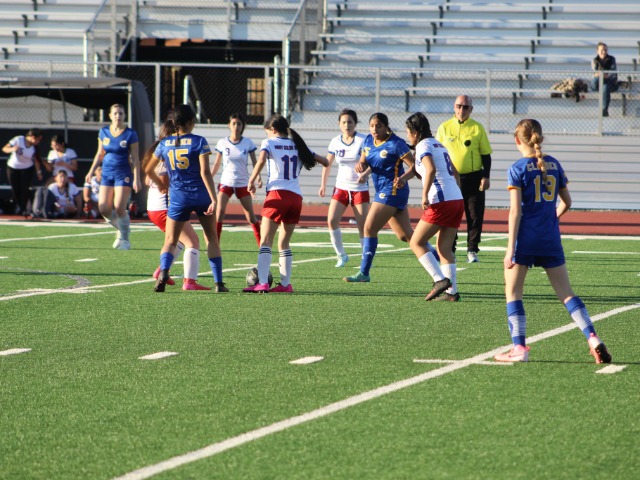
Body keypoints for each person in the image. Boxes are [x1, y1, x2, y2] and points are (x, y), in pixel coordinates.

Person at [494, 119, 611, 364]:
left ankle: (519, 348)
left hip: (525, 238)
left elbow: (515, 211)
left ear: (517, 140)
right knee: (566, 293)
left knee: (513, 292)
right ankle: (592, 337)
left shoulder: (517, 168)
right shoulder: (555, 164)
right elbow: (567, 202)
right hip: (550, 238)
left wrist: (509, 248)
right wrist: (551, 217)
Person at [145, 104, 228, 293]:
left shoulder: (164, 143)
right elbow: (205, 172)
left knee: (170, 240)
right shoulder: (199, 141)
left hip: (178, 197)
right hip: (200, 195)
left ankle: (163, 273)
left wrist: (160, 184)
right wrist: (214, 199)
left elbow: (148, 169)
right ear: (191, 122)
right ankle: (219, 283)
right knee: (211, 238)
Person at [243, 114, 329, 293]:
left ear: (273, 130)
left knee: (266, 241)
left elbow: (261, 160)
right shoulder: (297, 145)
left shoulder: (269, 142)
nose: (267, 135)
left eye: (267, 132)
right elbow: (326, 161)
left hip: (277, 195)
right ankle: (285, 284)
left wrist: (251, 180)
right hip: (295, 197)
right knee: (284, 243)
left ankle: (263, 282)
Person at [343, 112, 417, 283]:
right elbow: (364, 160)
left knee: (369, 228)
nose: (375, 129)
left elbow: (415, 166)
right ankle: (438, 257)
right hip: (382, 191)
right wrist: (361, 165)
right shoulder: (368, 140)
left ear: (386, 126)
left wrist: (404, 178)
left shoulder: (396, 143)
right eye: (372, 126)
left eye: (378, 126)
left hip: (393, 190)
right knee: (406, 236)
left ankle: (364, 273)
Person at [406, 112, 465, 301]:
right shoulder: (438, 144)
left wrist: (424, 195)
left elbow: (430, 169)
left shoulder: (423, 145)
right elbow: (455, 172)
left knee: (416, 242)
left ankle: (439, 279)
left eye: (408, 132)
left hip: (442, 200)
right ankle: (452, 293)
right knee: (444, 248)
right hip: (456, 199)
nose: (408, 136)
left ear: (415, 132)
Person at [436, 95, 492, 264]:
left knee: (475, 215)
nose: (462, 109)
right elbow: (437, 152)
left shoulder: (477, 128)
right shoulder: (444, 127)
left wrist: (485, 176)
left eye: (466, 107)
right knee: (451, 214)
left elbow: (486, 155)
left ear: (471, 109)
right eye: (459, 106)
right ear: (454, 107)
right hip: (450, 179)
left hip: (473, 177)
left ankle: (472, 250)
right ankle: (450, 249)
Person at [85, 103, 141, 250]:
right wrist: (91, 171)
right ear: (110, 115)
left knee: (119, 207)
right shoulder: (104, 132)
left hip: (123, 173)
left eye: (121, 113)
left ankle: (125, 240)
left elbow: (135, 158)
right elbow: (100, 153)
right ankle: (122, 229)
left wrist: (137, 179)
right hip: (107, 173)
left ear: (124, 115)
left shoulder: (130, 134)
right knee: (103, 208)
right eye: (115, 113)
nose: (118, 116)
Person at [319, 108, 369, 268]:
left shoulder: (364, 139)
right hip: (341, 187)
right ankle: (341, 255)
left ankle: (365, 260)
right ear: (339, 124)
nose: (347, 125)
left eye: (350, 122)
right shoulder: (335, 141)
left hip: (359, 188)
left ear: (355, 123)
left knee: (363, 225)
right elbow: (327, 164)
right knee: (332, 220)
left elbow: (374, 161)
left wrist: (365, 173)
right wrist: (323, 185)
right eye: (344, 122)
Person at [211, 113, 262, 245]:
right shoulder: (222, 143)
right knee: (219, 213)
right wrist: (209, 177)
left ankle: (263, 246)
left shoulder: (247, 142)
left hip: (242, 183)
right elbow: (217, 163)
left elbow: (255, 162)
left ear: (242, 126)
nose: (236, 126)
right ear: (229, 125)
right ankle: (215, 245)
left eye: (239, 124)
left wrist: (258, 177)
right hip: (226, 182)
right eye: (233, 124)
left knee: (250, 216)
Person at [2, 129, 43, 216]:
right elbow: (4, 148)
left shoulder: (34, 148)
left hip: (27, 168)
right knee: (15, 188)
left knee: (24, 188)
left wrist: (39, 172)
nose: (38, 142)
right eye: (38, 139)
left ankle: (23, 209)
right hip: (13, 167)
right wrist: (12, 149)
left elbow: (36, 160)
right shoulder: (18, 139)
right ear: (32, 137)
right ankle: (19, 206)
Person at [591, 42, 618, 117]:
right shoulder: (594, 60)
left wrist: (603, 75)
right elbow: (595, 73)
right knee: (595, 80)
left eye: (605, 50)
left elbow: (613, 73)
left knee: (605, 87)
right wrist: (601, 75)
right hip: (598, 82)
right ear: (597, 51)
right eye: (602, 50)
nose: (604, 52)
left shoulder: (611, 59)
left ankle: (604, 110)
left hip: (608, 82)